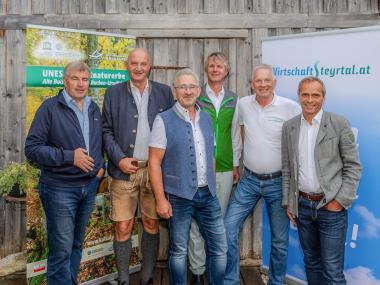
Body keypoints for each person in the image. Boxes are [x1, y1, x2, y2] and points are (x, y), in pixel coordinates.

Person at [25, 61, 104, 285]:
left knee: (76, 244)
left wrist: (101, 168)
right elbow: (32, 148)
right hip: (59, 188)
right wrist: (70, 157)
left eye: (85, 79)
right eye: (75, 79)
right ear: (64, 81)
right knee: (61, 250)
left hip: (88, 188)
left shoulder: (93, 107)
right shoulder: (49, 108)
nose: (80, 84)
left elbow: (99, 143)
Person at [149, 68, 227, 285]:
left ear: (198, 90)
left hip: (208, 195)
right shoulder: (162, 120)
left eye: (192, 86)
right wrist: (161, 199)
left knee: (220, 248)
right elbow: (154, 162)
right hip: (179, 196)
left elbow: (211, 154)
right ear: (175, 91)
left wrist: (211, 183)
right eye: (182, 86)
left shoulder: (207, 118)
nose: (187, 91)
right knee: (179, 250)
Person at [102, 48, 174, 285]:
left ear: (149, 65)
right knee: (123, 225)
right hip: (123, 171)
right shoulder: (113, 93)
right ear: (127, 65)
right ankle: (123, 279)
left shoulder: (164, 92)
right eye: (134, 63)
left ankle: (147, 277)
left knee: (152, 224)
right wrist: (119, 158)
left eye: (143, 63)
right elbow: (105, 130)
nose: (139, 68)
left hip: (155, 171)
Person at [224, 64, 301, 285]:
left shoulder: (290, 107)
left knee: (279, 240)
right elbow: (238, 134)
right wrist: (236, 164)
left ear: (274, 83)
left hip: (278, 183)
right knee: (228, 229)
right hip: (249, 180)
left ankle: (276, 282)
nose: (263, 85)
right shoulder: (243, 104)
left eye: (267, 80)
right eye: (258, 81)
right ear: (252, 84)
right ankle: (230, 280)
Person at [281, 76, 362, 285]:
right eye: (305, 94)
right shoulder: (289, 127)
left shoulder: (339, 123)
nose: (310, 100)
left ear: (323, 98)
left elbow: (353, 166)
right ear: (299, 96)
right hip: (303, 208)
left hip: (331, 208)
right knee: (311, 263)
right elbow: (288, 168)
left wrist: (340, 201)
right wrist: (289, 201)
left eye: (315, 95)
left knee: (332, 271)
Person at [189, 52, 241, 285]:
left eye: (219, 65)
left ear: (226, 70)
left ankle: (215, 270)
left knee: (218, 221)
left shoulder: (233, 98)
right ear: (206, 69)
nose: (215, 69)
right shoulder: (196, 95)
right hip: (199, 168)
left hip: (224, 168)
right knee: (196, 221)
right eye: (211, 65)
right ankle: (198, 271)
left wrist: (236, 163)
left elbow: (235, 134)